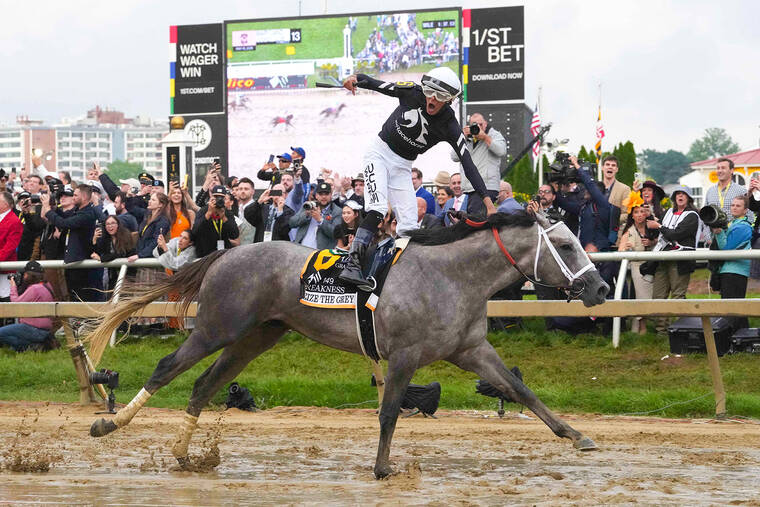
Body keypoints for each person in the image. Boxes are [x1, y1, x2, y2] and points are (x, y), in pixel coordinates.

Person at [338, 68, 496, 287]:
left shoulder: (450, 125)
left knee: (410, 224)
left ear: (449, 100)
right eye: (430, 91)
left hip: (403, 166)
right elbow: (376, 83)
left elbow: (468, 165)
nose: (431, 98)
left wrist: (489, 203)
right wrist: (354, 80)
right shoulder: (412, 92)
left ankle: (396, 275)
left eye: (439, 96)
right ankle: (352, 265)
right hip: (379, 154)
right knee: (378, 208)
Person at [646, 186, 701, 335]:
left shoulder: (692, 215)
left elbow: (677, 234)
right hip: (663, 258)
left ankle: (680, 331)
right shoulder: (668, 212)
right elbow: (661, 230)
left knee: (677, 296)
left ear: (689, 198)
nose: (680, 197)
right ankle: (661, 331)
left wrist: (658, 225)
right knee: (658, 296)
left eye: (683, 194)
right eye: (678, 194)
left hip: (680, 259)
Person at [42, 184, 100, 301]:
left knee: (81, 297)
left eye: (75, 195)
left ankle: (82, 319)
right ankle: (76, 319)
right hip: (73, 261)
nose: (73, 198)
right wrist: (51, 205)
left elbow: (64, 223)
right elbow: (62, 217)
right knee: (72, 294)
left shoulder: (87, 213)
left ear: (83, 197)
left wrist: (48, 209)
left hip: (81, 262)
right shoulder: (78, 211)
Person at [451, 112, 506, 216]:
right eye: (474, 125)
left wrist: (485, 138)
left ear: (485, 124)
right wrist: (462, 138)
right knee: (474, 220)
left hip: (487, 187)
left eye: (480, 125)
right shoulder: (468, 138)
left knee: (476, 220)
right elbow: (454, 157)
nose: (478, 128)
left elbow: (501, 151)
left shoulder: (494, 135)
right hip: (470, 188)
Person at [618, 192, 657, 334]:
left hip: (653, 267)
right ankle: (642, 328)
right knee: (642, 297)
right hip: (638, 267)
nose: (640, 214)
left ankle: (640, 327)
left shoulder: (652, 226)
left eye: (642, 211)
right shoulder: (629, 231)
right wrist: (626, 249)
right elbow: (621, 249)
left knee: (652, 297)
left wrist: (652, 241)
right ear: (632, 215)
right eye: (636, 212)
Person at [712, 195, 752, 330]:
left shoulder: (744, 227)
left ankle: (732, 339)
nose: (734, 208)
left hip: (735, 271)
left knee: (732, 308)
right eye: (733, 205)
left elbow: (726, 249)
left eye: (738, 206)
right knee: (736, 308)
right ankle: (742, 339)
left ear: (745, 210)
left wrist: (718, 233)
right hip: (730, 270)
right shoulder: (733, 224)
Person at [0, 261, 56, 352]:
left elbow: (16, 304)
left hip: (34, 329)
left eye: (25, 274)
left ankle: (35, 346)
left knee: (1, 333)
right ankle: (38, 345)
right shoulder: (47, 285)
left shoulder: (34, 289)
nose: (24, 276)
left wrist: (13, 286)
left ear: (30, 275)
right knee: (13, 345)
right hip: (45, 329)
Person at [289, 181, 343, 250]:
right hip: (301, 250)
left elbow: (335, 233)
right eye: (320, 194)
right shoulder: (308, 205)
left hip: (321, 254)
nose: (323, 197)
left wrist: (320, 220)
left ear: (331, 195)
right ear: (316, 195)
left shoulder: (337, 211)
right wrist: (306, 215)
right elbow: (292, 223)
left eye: (326, 194)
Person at [705, 158, 753, 231]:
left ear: (731, 170)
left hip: (734, 236)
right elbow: (705, 217)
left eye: (723, 168)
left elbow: (750, 216)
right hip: (713, 237)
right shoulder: (710, 191)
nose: (720, 171)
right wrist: (707, 236)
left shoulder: (741, 190)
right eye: (718, 168)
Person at [91, 215, 137, 292]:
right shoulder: (107, 238)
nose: (110, 226)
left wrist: (102, 258)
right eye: (107, 224)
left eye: (113, 223)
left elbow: (121, 253)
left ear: (118, 224)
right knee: (111, 299)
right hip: (113, 276)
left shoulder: (126, 235)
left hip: (127, 275)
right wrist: (94, 240)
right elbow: (97, 253)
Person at [192, 185, 239, 257]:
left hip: (223, 255)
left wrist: (223, 218)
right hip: (205, 255)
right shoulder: (203, 211)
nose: (218, 199)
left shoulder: (227, 213)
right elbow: (195, 232)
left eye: (221, 198)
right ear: (211, 196)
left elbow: (234, 235)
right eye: (216, 197)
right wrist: (208, 213)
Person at [0, 192, 23, 308]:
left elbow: (10, 247)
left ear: (5, 204)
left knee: (6, 299)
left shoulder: (14, 221)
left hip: (5, 268)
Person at [599, 155, 631, 231]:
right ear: (602, 168)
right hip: (595, 235)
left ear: (616, 169)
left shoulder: (625, 189)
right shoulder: (594, 187)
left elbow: (627, 213)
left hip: (614, 235)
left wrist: (610, 220)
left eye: (613, 165)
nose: (610, 167)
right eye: (607, 164)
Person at [15, 191, 46, 261]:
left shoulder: (36, 213)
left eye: (26, 200)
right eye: (21, 200)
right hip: (16, 248)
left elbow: (35, 226)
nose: (23, 202)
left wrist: (27, 212)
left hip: (30, 250)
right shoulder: (15, 214)